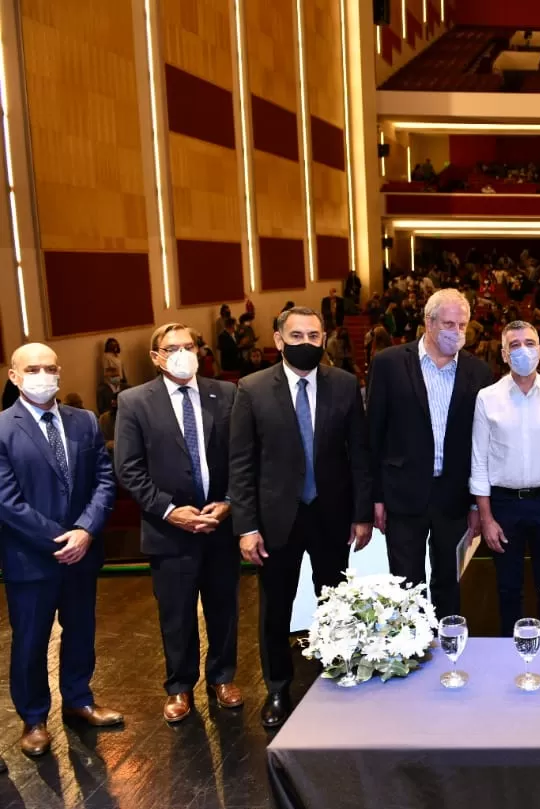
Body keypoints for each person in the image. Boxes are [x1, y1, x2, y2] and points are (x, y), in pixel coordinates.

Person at [229, 307, 373, 728]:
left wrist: (361, 514)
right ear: (277, 340)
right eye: (296, 336)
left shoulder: (344, 385)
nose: (306, 343)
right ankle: (277, 688)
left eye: (314, 335)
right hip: (276, 520)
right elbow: (241, 464)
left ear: (325, 337)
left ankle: (337, 673)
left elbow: (359, 456)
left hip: (332, 513)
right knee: (276, 608)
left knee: (335, 602)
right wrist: (246, 526)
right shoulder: (252, 389)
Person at [114, 324, 242, 722]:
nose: (182, 352)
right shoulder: (134, 402)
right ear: (156, 357)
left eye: (188, 345)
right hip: (169, 529)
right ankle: (180, 687)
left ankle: (222, 677)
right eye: (172, 348)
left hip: (218, 525)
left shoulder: (227, 394)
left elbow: (243, 458)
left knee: (223, 608)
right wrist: (170, 510)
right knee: (176, 613)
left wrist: (228, 503)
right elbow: (129, 469)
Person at [0, 343, 120, 762]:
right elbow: (6, 501)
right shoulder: (2, 428)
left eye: (50, 368)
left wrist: (85, 531)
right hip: (31, 560)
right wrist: (61, 539)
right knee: (31, 642)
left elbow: (105, 481)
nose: (43, 375)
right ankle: (34, 719)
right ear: (14, 376)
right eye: (32, 368)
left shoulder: (84, 421)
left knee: (81, 632)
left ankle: (78, 699)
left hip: (83, 553)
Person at [367, 289, 490, 618]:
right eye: (450, 324)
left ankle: (447, 650)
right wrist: (374, 497)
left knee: (449, 579)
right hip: (401, 492)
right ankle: (410, 650)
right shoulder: (389, 363)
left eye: (463, 325)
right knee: (405, 582)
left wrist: (476, 503)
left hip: (452, 494)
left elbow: (481, 444)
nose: (458, 332)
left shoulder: (478, 372)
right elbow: (373, 435)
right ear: (428, 322)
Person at [471, 321, 540, 636]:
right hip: (504, 506)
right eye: (514, 345)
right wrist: (485, 518)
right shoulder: (487, 398)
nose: (523, 350)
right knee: (507, 590)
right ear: (503, 354)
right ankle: (510, 660)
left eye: (530, 343)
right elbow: (479, 461)